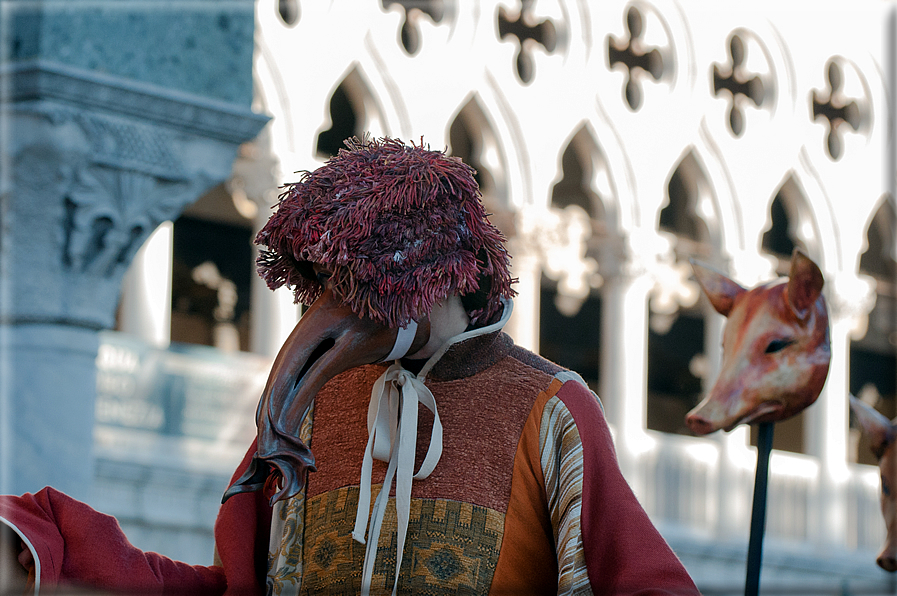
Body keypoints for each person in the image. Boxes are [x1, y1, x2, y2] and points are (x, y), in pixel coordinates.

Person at [1, 136, 699, 595]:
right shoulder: (314, 406)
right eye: (329, 289)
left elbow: (641, 580)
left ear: (450, 275)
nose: (340, 312)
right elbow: (238, 587)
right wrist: (48, 549)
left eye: (366, 285)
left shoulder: (548, 405)